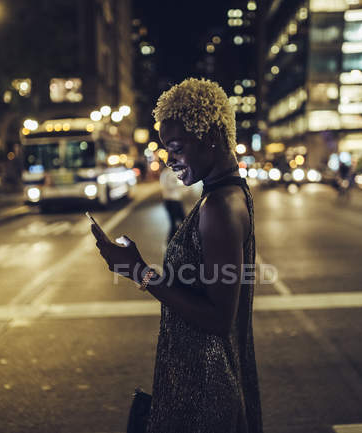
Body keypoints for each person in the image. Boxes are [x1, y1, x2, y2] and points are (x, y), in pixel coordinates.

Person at [92, 78, 262, 433]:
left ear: (211, 137)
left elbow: (218, 317)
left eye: (176, 147)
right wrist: (136, 266)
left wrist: (141, 274)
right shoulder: (223, 195)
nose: (169, 160)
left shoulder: (220, 207)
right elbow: (201, 289)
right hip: (198, 381)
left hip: (205, 391)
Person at [159, 165, 186, 242]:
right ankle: (171, 241)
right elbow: (168, 186)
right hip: (171, 200)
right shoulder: (168, 173)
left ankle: (173, 241)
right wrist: (180, 185)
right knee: (178, 222)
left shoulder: (167, 173)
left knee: (180, 221)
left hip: (173, 200)